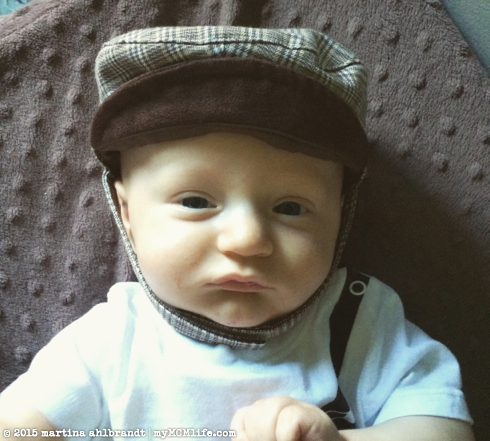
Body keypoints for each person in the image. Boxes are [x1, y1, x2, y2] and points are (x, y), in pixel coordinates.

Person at [0, 27, 475, 441]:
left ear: (341, 215)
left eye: (291, 208)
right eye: (195, 202)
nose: (247, 240)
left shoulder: (356, 321)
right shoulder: (112, 341)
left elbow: (445, 427)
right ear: (127, 212)